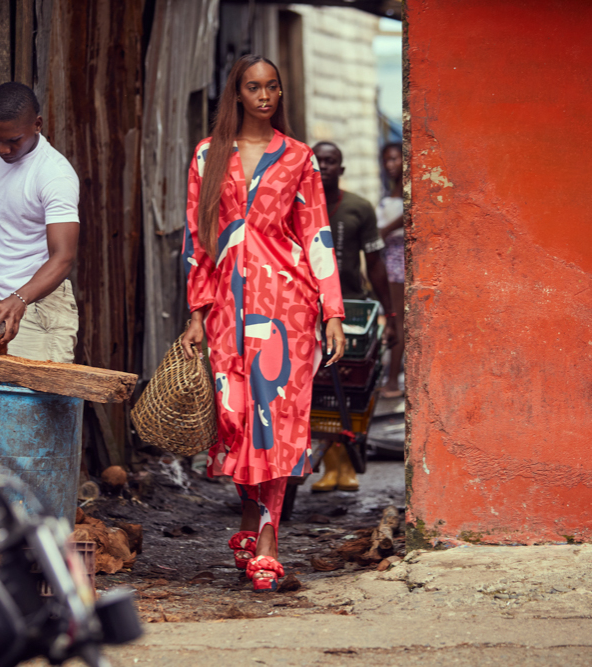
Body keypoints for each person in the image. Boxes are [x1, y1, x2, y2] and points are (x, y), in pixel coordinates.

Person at [180, 55, 346, 592]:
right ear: (237, 93)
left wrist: (334, 311)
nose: (265, 95)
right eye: (254, 87)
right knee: (238, 420)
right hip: (228, 309)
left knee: (279, 418)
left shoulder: (299, 157)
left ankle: (269, 542)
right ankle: (249, 525)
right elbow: (197, 240)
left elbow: (317, 234)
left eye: (272, 86)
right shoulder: (208, 157)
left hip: (288, 309)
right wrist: (197, 313)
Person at [0, 82, 81, 363]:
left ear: (37, 124)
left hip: (40, 303)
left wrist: (20, 299)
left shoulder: (54, 176)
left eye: (13, 140)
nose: (2, 149)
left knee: (30, 403)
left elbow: (63, 258)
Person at [310, 140, 397, 493]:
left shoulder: (359, 208)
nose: (325, 166)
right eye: (319, 161)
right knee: (317, 389)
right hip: (306, 309)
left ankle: (345, 464)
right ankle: (331, 466)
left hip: (351, 309)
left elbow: (375, 264)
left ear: (341, 169)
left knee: (348, 387)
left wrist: (388, 313)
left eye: (332, 161)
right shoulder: (295, 208)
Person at [377, 142, 405, 397]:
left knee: (397, 320)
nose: (390, 165)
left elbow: (409, 214)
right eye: (387, 160)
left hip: (400, 262)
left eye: (395, 159)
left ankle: (394, 381)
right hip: (388, 262)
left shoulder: (410, 194)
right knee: (392, 319)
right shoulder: (390, 194)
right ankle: (391, 377)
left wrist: (384, 231)